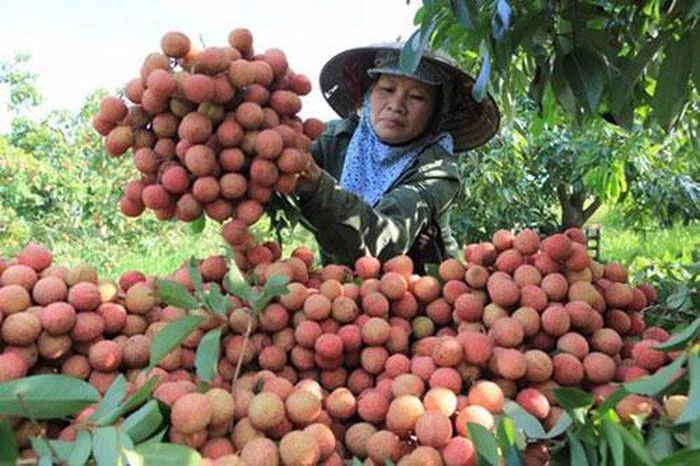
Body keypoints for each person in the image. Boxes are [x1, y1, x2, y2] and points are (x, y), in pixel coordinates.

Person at [294, 43, 500, 272]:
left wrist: (316, 186)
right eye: (388, 89)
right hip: (341, 287)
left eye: (416, 97)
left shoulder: (437, 170)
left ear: (435, 113)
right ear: (369, 95)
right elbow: (277, 165)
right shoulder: (334, 139)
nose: (396, 106)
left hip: (417, 291)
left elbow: (388, 238)